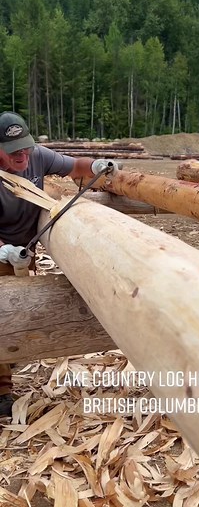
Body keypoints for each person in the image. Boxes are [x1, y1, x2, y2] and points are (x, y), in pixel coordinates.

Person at [0, 111, 107, 417]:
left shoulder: (35, 156)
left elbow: (75, 166)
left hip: (24, 246)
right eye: (13, 152)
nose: (22, 156)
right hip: (4, 246)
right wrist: (4, 250)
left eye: (25, 147)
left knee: (19, 306)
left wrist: (98, 166)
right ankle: (2, 390)